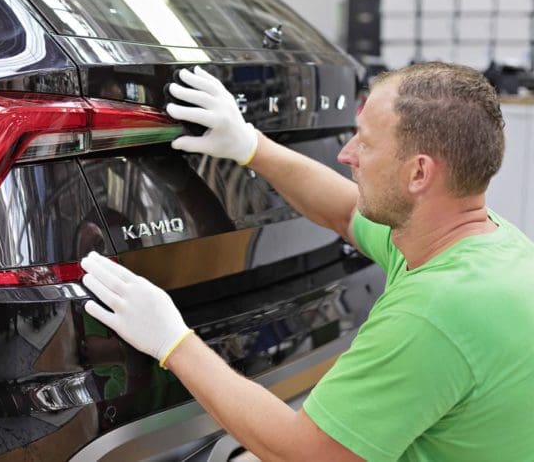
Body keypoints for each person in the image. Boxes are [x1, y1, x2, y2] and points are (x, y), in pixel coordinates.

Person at [79, 62, 534, 461]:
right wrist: (250, 146)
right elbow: (344, 212)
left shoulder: (432, 313)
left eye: (366, 143)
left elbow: (304, 454)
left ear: (419, 173)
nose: (346, 154)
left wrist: (173, 343)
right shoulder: (481, 243)